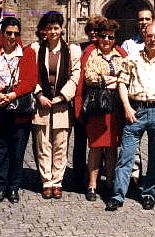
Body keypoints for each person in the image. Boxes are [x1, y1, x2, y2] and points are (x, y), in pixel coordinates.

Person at [105, 24, 155, 211]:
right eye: (149, 36)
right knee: (126, 156)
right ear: (144, 37)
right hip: (136, 111)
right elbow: (122, 84)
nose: (153, 39)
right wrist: (127, 108)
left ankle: (149, 193)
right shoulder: (132, 59)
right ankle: (117, 195)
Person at [0, 17, 37, 204]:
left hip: (20, 111)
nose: (12, 37)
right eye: (8, 33)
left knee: (17, 152)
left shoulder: (27, 54)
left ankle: (13, 188)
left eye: (15, 33)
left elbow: (31, 81)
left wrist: (13, 95)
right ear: (2, 33)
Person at [75, 19, 127, 201]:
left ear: (115, 39)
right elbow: (90, 77)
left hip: (115, 108)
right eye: (103, 36)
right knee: (95, 147)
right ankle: (92, 184)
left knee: (112, 147)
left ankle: (110, 181)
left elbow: (127, 76)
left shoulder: (121, 55)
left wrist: (108, 79)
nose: (106, 40)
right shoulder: (92, 54)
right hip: (97, 106)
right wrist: (112, 80)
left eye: (110, 37)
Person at [30, 11, 81, 199]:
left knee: (60, 144)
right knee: (43, 144)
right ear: (44, 30)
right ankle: (46, 181)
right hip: (41, 102)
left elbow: (75, 75)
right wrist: (39, 94)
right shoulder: (36, 49)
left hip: (61, 103)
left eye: (56, 28)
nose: (52, 31)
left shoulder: (72, 50)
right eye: (49, 28)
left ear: (61, 29)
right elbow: (30, 75)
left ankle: (57, 181)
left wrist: (62, 96)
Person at [121, 8, 155, 184]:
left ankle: (150, 186)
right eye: (141, 19)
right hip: (136, 102)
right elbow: (124, 73)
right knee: (130, 149)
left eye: (147, 19)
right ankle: (133, 175)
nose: (144, 22)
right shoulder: (128, 45)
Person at [72, 15, 107, 190]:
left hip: (99, 103)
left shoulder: (107, 49)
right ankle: (78, 174)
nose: (93, 33)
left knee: (98, 142)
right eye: (91, 30)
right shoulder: (80, 49)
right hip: (82, 99)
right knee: (79, 141)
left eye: (97, 30)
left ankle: (97, 174)